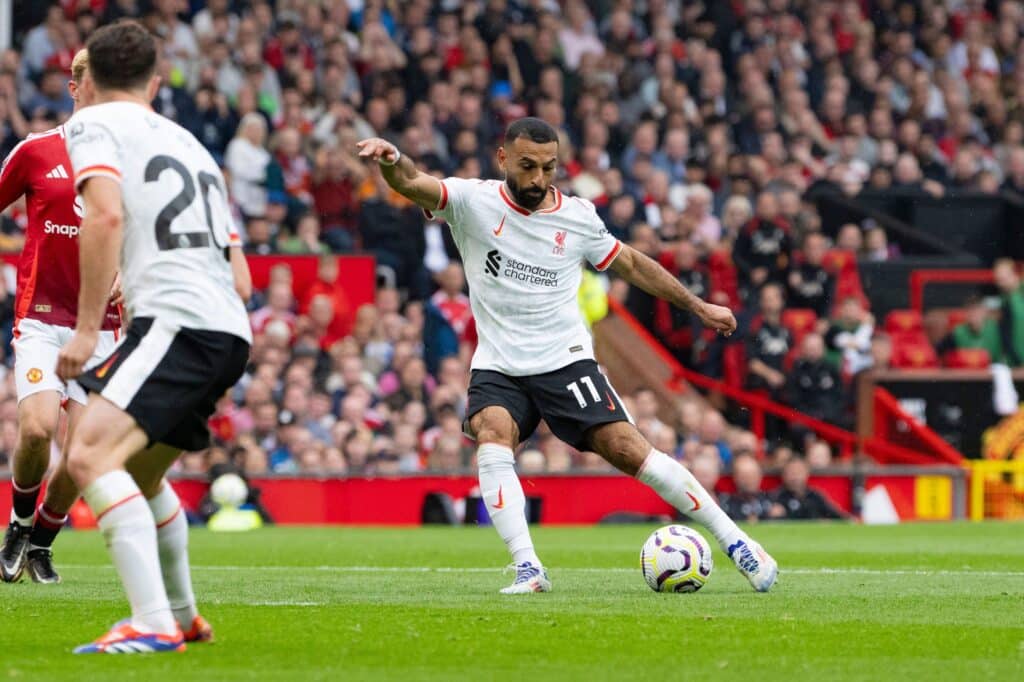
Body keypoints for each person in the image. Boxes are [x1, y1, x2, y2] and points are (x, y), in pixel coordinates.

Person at [357, 117, 778, 594]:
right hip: (499, 362)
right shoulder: (473, 201)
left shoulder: (577, 217)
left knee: (629, 450)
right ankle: (528, 569)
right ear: (502, 159)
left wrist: (698, 306)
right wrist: (393, 161)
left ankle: (738, 542)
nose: (538, 179)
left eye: (549, 167)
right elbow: (411, 181)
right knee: (492, 434)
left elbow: (634, 264)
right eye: (527, 166)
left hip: (564, 359)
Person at [55, 22, 252, 653]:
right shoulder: (191, 142)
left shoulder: (91, 125)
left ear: (85, 82)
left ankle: (151, 623)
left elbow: (105, 213)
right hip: (225, 324)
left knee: (87, 455)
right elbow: (241, 274)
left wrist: (88, 331)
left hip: (177, 320)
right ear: (155, 83)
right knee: (139, 476)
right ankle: (185, 617)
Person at [0, 50, 123, 585]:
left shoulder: (132, 160)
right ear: (74, 89)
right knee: (35, 430)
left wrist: (133, 273)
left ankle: (43, 543)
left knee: (81, 455)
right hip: (43, 318)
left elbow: (152, 233)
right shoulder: (35, 151)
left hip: (105, 326)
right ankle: (19, 525)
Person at [771, 457, 846, 520]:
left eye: (799, 472)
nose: (795, 476)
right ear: (784, 475)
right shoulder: (777, 497)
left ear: (806, 473)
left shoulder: (815, 495)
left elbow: (835, 514)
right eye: (791, 472)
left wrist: (850, 520)